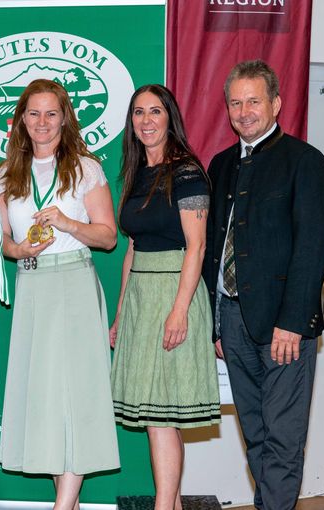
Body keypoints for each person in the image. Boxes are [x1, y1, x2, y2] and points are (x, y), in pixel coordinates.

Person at [202, 60, 324, 510]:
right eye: (236, 103)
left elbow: (314, 248)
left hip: (284, 326)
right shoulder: (220, 166)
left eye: (254, 100)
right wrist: (216, 324)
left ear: (276, 103)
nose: (244, 111)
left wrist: (293, 323)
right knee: (255, 434)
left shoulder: (305, 162)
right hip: (233, 322)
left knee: (282, 435)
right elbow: (213, 249)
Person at [0, 79, 120, 509]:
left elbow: (107, 237)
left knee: (76, 394)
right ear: (21, 120)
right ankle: (69, 500)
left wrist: (67, 224)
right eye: (34, 113)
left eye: (51, 113)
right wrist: (18, 249)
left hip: (74, 284)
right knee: (44, 397)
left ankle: (63, 505)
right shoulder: (7, 174)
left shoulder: (85, 168)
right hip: (32, 285)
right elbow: (4, 242)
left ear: (65, 117)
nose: (42, 122)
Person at [109, 84, 220, 510]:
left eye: (155, 111)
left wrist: (179, 311)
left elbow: (198, 247)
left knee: (161, 418)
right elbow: (133, 247)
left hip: (176, 294)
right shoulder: (137, 173)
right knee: (161, 417)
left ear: (170, 117)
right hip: (141, 298)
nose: (146, 120)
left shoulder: (187, 172)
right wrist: (121, 313)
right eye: (138, 112)